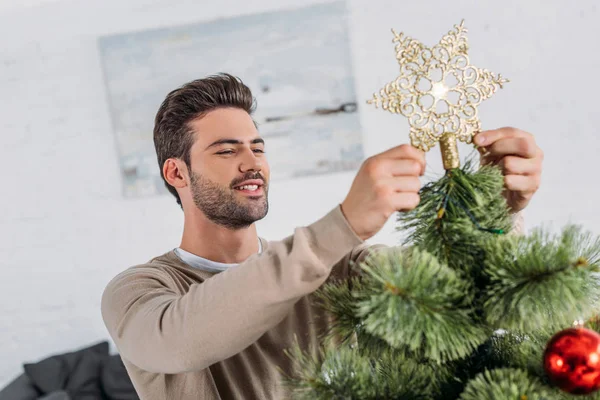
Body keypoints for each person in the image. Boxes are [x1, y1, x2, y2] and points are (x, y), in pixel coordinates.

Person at [101, 73, 544, 399]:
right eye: (226, 150)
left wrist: (498, 211)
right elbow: (184, 341)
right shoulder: (139, 292)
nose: (251, 162)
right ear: (176, 172)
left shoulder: (337, 270)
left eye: (258, 147)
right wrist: (345, 223)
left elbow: (464, 296)